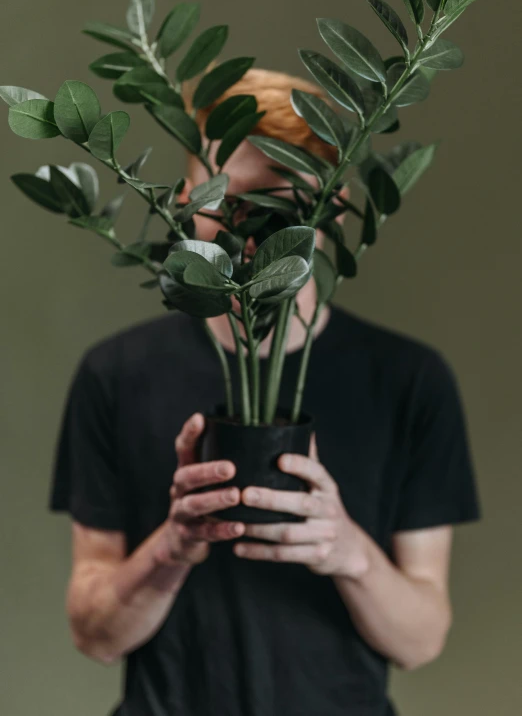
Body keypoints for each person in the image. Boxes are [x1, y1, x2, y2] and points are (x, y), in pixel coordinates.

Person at [48, 67, 482, 716]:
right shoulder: (114, 375)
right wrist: (170, 549)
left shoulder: (409, 381)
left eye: (279, 203)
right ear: (185, 201)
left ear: (333, 207)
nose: (250, 228)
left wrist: (346, 550)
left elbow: (421, 639)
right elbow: (94, 635)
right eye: (225, 200)